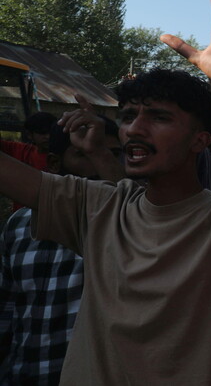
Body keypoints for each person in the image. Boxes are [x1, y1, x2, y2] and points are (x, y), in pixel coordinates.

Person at [0, 0, 211, 384]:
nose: (134, 128)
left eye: (159, 117)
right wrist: (99, 151)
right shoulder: (97, 206)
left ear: (199, 142)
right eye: (130, 115)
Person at [0, 106, 122, 385]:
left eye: (112, 155)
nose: (98, 164)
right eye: (83, 154)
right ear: (54, 164)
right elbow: (7, 309)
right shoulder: (19, 225)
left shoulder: (130, 227)